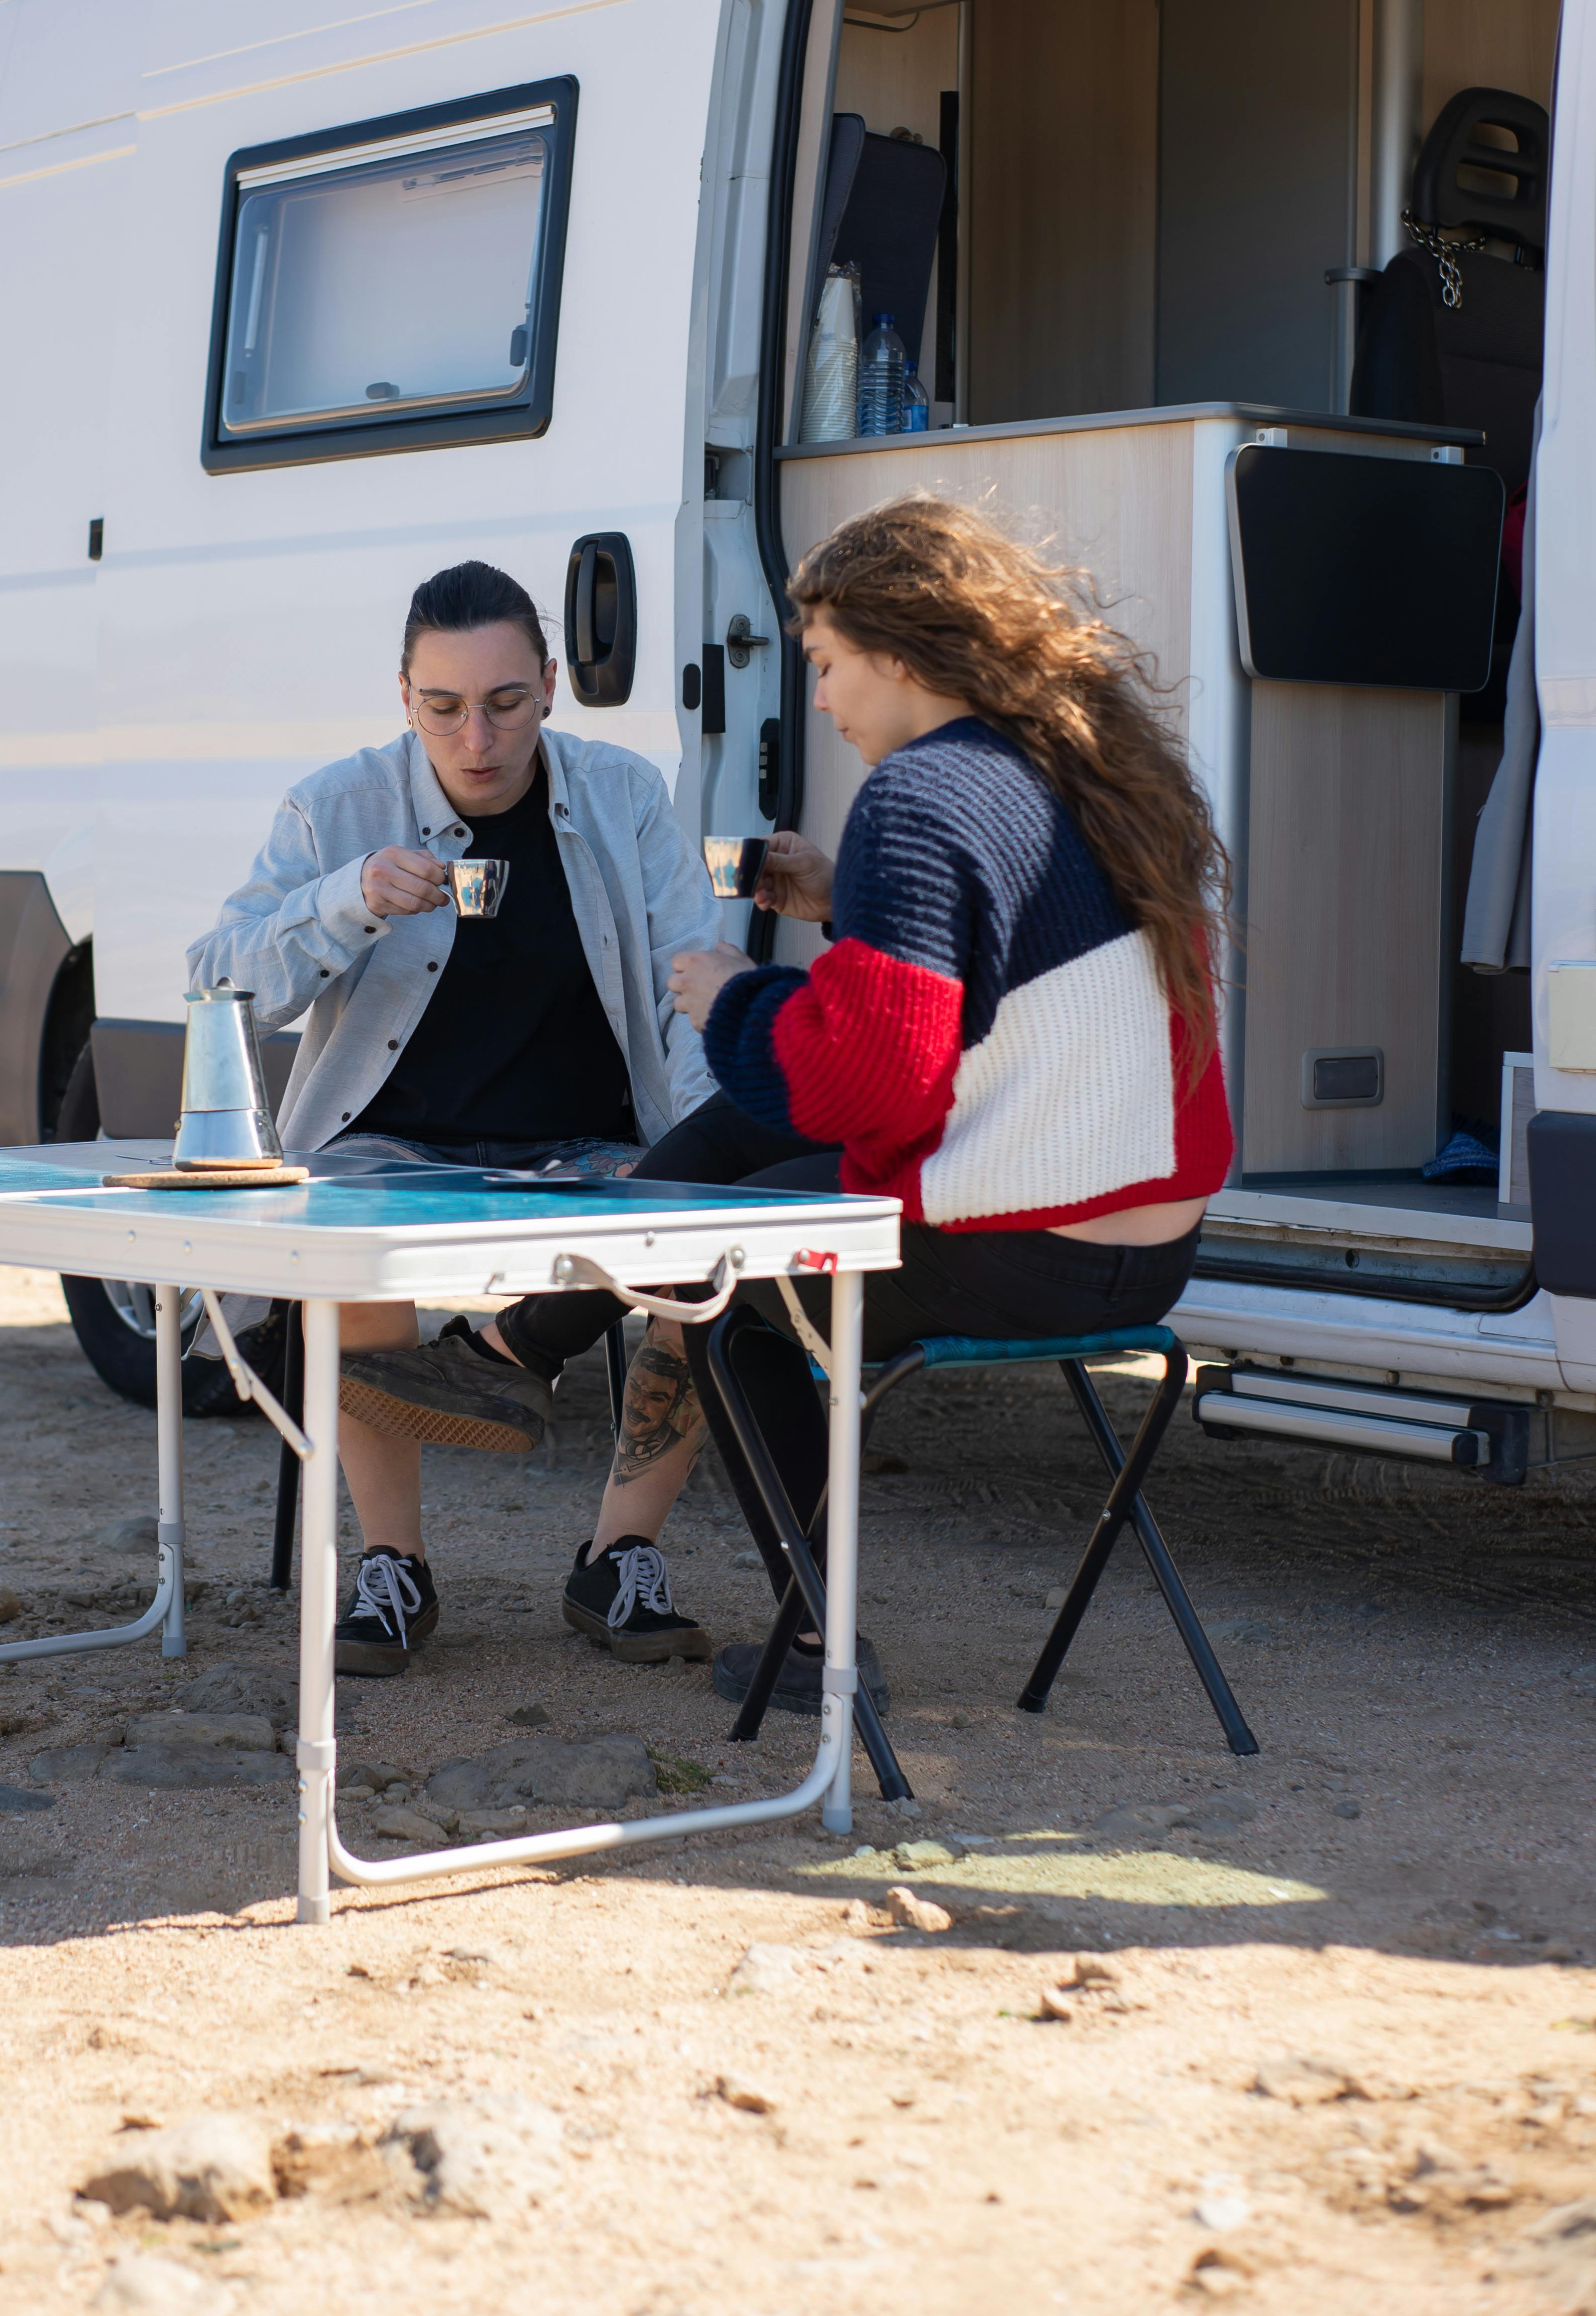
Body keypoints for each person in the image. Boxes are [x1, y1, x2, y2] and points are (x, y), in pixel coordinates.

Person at [445, 492, 1235, 1713]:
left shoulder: (921, 795)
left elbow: (868, 1078)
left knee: (725, 1277)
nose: (819, 701)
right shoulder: (1087, 771)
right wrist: (847, 912)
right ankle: (525, 1342)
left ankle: (820, 1641)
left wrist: (733, 996)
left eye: (823, 664)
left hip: (1028, 1243)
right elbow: (999, 1003)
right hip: (1150, 1246)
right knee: (751, 1147)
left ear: (897, 651)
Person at [185, 559, 722, 1677]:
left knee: (712, 1252)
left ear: (552, 687)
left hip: (588, 1139)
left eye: (505, 703)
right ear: (402, 696)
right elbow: (218, 981)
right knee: (351, 1242)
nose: (475, 737)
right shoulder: (337, 806)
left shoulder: (622, 797)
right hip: (389, 1139)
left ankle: (618, 1553)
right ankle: (393, 1563)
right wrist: (347, 899)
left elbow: (692, 981)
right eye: (443, 708)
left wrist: (705, 1152)